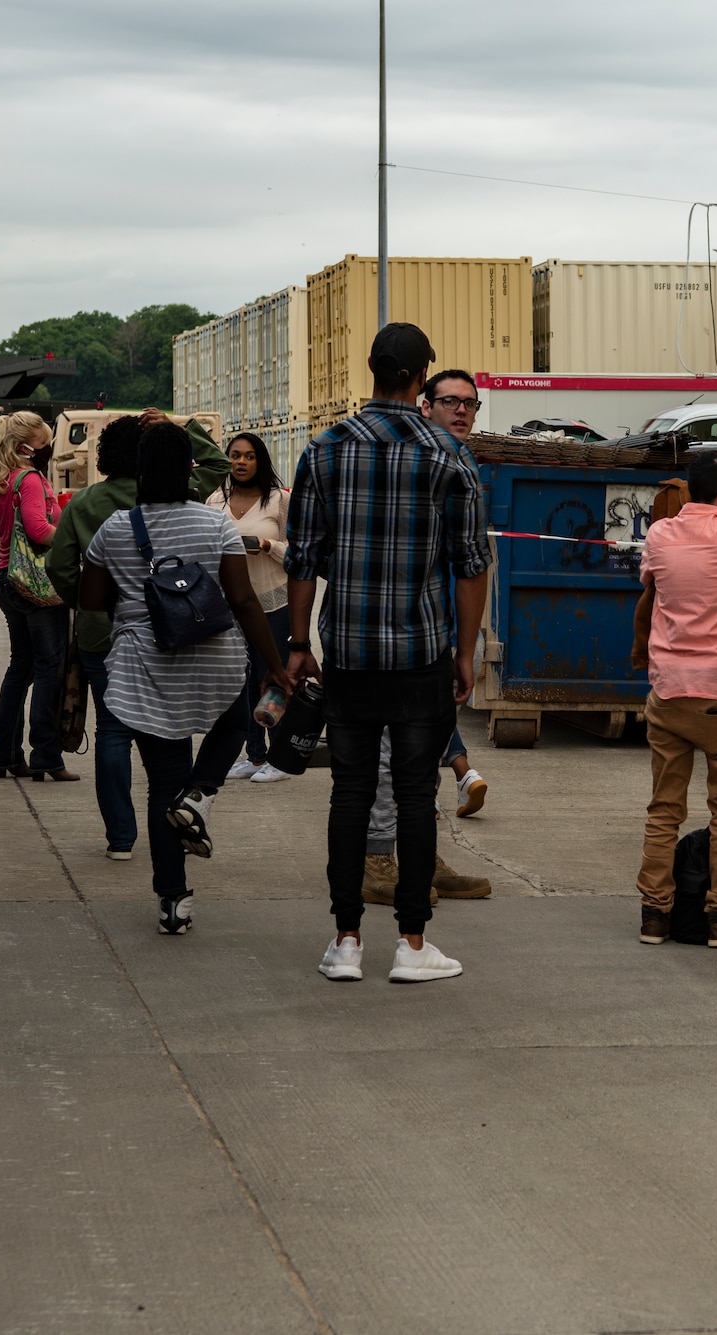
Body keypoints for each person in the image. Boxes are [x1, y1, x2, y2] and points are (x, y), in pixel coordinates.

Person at [285, 322, 491, 984]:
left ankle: (345, 940)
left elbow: (302, 559)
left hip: (346, 651)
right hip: (421, 653)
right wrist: (465, 652)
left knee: (349, 791)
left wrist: (297, 644)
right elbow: (471, 564)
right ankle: (411, 943)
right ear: (418, 378)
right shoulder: (448, 454)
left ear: (373, 370)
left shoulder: (324, 448)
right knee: (413, 791)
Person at [77, 421, 289, 934]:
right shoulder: (215, 525)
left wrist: (136, 598)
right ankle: (201, 794)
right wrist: (276, 665)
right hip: (213, 660)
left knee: (160, 785)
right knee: (238, 721)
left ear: (142, 472)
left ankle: (173, 901)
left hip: (144, 666)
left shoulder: (116, 527)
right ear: (189, 469)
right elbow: (242, 600)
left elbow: (91, 600)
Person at [49, 410, 231, 859]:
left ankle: (121, 839)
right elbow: (218, 467)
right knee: (172, 731)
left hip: (101, 634)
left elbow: (58, 566)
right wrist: (184, 427)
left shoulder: (84, 503)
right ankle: (174, 820)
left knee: (112, 732)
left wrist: (89, 603)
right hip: (168, 630)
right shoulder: (174, 495)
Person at [633, 449, 717, 949]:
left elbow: (651, 582)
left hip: (668, 690)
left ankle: (654, 914)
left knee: (664, 809)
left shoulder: (660, 534)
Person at [0, 410, 77, 782]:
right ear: (25, 447)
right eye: (44, 444)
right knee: (48, 670)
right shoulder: (32, 478)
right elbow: (39, 530)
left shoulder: (0, 480)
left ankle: (5, 755)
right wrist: (72, 537)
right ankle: (46, 757)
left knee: (19, 667)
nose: (49, 450)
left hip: (7, 580)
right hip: (37, 585)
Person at [420, 368, 489, 818]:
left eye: (470, 403)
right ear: (425, 406)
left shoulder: (465, 462)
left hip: (440, 616)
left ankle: (442, 790)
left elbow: (472, 564)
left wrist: (465, 647)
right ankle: (460, 776)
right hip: (419, 616)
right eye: (451, 401)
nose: (462, 410)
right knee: (425, 712)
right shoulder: (423, 459)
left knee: (426, 712)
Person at [209, 431, 296, 784]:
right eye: (235, 456)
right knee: (240, 683)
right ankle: (254, 755)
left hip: (273, 601)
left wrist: (268, 546)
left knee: (271, 678)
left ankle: (280, 757)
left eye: (248, 456)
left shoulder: (279, 499)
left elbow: (299, 552)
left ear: (260, 460)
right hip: (231, 604)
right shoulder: (214, 500)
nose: (240, 462)